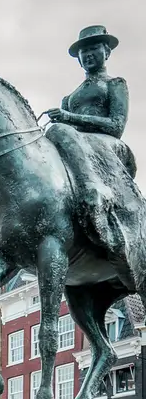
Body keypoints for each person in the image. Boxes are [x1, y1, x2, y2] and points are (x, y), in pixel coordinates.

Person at [46, 24, 133, 253]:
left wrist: (67, 118)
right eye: (84, 52)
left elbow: (116, 126)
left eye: (93, 48)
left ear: (107, 52)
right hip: (77, 146)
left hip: (107, 145)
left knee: (59, 132)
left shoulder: (115, 84)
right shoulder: (70, 97)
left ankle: (91, 190)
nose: (88, 55)